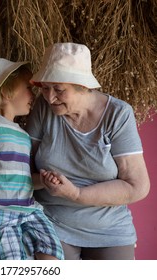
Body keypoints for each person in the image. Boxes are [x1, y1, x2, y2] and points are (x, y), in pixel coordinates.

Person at [25, 42, 150, 260]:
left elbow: (137, 186)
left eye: (59, 89)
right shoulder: (44, 108)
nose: (49, 97)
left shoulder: (118, 115)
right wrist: (43, 181)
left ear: (83, 86)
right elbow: (24, 167)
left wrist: (76, 194)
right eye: (45, 87)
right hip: (52, 221)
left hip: (109, 228)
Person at [0, 57, 64, 260]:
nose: (33, 95)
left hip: (30, 210)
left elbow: (22, 177)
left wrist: (42, 180)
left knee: (52, 253)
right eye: (27, 87)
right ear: (6, 92)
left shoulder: (23, 134)